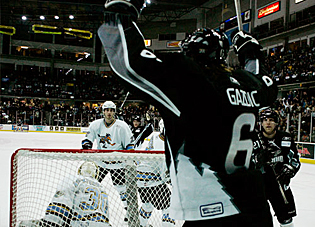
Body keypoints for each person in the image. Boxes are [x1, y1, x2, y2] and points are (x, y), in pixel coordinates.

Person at [98, 1, 278, 225]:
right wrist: (250, 51)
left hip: (210, 209)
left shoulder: (189, 79)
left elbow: (130, 63)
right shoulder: (245, 83)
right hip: (256, 207)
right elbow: (266, 85)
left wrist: (119, 13)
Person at [82, 100, 134, 221]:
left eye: (111, 110)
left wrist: (129, 159)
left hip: (117, 164)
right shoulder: (96, 124)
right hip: (101, 162)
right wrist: (87, 145)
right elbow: (87, 139)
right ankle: (87, 209)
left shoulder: (122, 126)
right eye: (107, 110)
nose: (109, 113)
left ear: (114, 112)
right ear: (103, 112)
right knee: (91, 184)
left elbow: (129, 145)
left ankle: (129, 212)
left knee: (122, 189)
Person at [19, 162, 111, 227]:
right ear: (96, 174)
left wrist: (49, 222)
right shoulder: (102, 188)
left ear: (80, 171)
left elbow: (62, 203)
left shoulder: (74, 179)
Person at [252, 108, 300, 227]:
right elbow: (243, 163)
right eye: (265, 120)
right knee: (260, 220)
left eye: (272, 120)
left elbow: (295, 160)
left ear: (277, 122)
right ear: (260, 123)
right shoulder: (253, 139)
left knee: (286, 219)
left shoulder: (285, 138)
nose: (268, 123)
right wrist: (257, 160)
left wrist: (290, 169)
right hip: (259, 187)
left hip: (279, 185)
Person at [137, 119, 175, 227]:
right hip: (152, 181)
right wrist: (172, 182)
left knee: (148, 205)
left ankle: (140, 224)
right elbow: (163, 172)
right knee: (169, 207)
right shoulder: (163, 144)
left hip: (140, 179)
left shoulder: (155, 137)